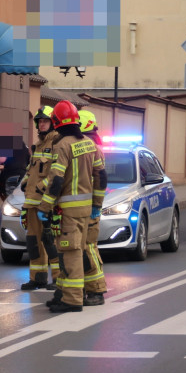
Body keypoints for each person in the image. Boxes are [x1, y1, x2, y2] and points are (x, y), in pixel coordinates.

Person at [37, 100, 106, 313]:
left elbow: (56, 180)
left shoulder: (62, 146)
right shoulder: (89, 143)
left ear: (56, 122)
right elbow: (101, 176)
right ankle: (65, 294)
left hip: (69, 211)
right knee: (80, 249)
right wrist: (97, 204)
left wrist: (44, 207)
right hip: (87, 211)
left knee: (70, 252)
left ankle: (73, 299)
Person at [19, 106, 59, 290]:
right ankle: (38, 277)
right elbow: (32, 169)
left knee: (51, 241)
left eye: (45, 121)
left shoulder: (57, 143)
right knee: (33, 241)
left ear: (53, 122)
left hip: (48, 202)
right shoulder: (38, 144)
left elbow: (56, 173)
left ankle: (58, 278)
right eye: (39, 121)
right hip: (32, 201)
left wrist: (41, 187)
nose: (42, 124)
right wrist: (25, 182)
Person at [78, 109, 107, 306]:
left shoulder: (92, 148)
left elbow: (100, 179)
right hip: (80, 208)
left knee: (88, 248)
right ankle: (81, 289)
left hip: (88, 209)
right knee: (81, 249)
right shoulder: (89, 146)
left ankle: (96, 290)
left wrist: (96, 205)